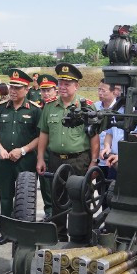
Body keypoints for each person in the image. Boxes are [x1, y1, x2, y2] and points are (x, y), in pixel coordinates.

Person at [36, 63, 99, 242]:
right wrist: (40, 158)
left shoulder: (87, 106)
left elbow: (94, 136)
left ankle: (82, 238)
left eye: (67, 83)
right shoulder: (49, 107)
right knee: (58, 202)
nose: (62, 87)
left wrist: (94, 162)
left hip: (80, 160)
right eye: (60, 83)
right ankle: (60, 237)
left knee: (82, 200)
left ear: (76, 86)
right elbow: (44, 133)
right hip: (56, 161)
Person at [0, 70, 41, 245]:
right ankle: (6, 233)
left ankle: (24, 233)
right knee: (5, 196)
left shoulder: (34, 110)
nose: (13, 91)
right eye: (12, 87)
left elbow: (41, 136)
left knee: (25, 197)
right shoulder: (1, 109)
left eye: (18, 88)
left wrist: (23, 150)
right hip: (4, 161)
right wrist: (1, 149)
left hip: (26, 160)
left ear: (26, 89)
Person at [37, 74, 58, 220]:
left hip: (56, 151)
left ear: (55, 90)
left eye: (49, 90)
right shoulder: (37, 107)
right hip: (42, 152)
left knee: (58, 184)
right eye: (43, 90)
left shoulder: (58, 107)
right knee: (45, 185)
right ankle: (49, 212)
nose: (46, 93)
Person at [96, 81, 123, 180]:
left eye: (103, 90)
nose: (100, 93)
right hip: (110, 158)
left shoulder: (132, 111)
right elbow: (110, 133)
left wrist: (121, 155)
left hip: (124, 160)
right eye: (99, 89)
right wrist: (107, 147)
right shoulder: (96, 107)